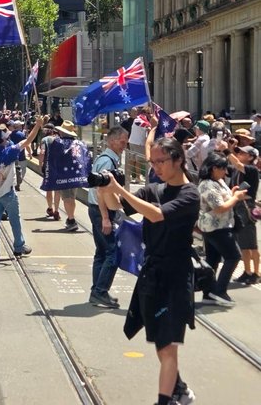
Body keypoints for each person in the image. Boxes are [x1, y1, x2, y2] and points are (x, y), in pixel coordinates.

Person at [99, 137, 199, 405]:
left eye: (161, 161)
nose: (155, 167)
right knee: (159, 340)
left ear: (178, 159)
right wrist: (106, 188)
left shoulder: (190, 194)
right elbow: (116, 207)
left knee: (168, 345)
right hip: (152, 273)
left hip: (176, 275)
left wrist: (120, 188)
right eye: (152, 162)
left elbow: (156, 215)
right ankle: (179, 388)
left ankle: (165, 400)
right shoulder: (153, 188)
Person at [0, 117, 44, 262]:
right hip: (8, 194)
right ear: (3, 140)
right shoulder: (9, 152)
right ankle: (18, 246)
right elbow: (28, 140)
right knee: (15, 220)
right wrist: (38, 125)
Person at [87, 126, 129, 308]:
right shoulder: (107, 162)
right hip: (100, 210)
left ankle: (97, 290)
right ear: (112, 141)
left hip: (98, 209)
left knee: (102, 252)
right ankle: (100, 291)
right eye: (122, 142)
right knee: (113, 252)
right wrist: (105, 217)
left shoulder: (109, 159)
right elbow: (101, 191)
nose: (124, 146)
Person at [197, 151, 245, 306]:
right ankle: (219, 290)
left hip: (218, 226)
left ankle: (209, 292)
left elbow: (223, 200)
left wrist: (232, 194)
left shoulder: (218, 181)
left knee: (213, 259)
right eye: (223, 168)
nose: (225, 172)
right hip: (216, 227)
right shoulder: (207, 185)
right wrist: (236, 198)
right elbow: (219, 207)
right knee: (233, 256)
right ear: (214, 168)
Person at [228, 145, 260, 284]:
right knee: (243, 243)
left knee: (252, 243)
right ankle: (247, 271)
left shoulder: (251, 169)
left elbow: (237, 163)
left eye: (243, 152)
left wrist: (226, 150)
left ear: (251, 157)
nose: (239, 153)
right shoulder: (236, 170)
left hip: (247, 206)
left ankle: (256, 272)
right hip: (238, 206)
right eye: (239, 152)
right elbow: (230, 164)